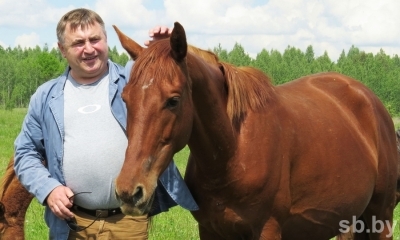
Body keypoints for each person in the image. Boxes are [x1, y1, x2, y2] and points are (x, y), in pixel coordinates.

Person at [13, 8, 198, 240]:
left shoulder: (132, 82)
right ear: (62, 50)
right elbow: (25, 153)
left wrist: (161, 52)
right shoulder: (46, 97)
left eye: (95, 39)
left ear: (106, 41)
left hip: (127, 220)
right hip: (71, 222)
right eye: (78, 43)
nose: (89, 49)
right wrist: (48, 189)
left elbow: (164, 82)